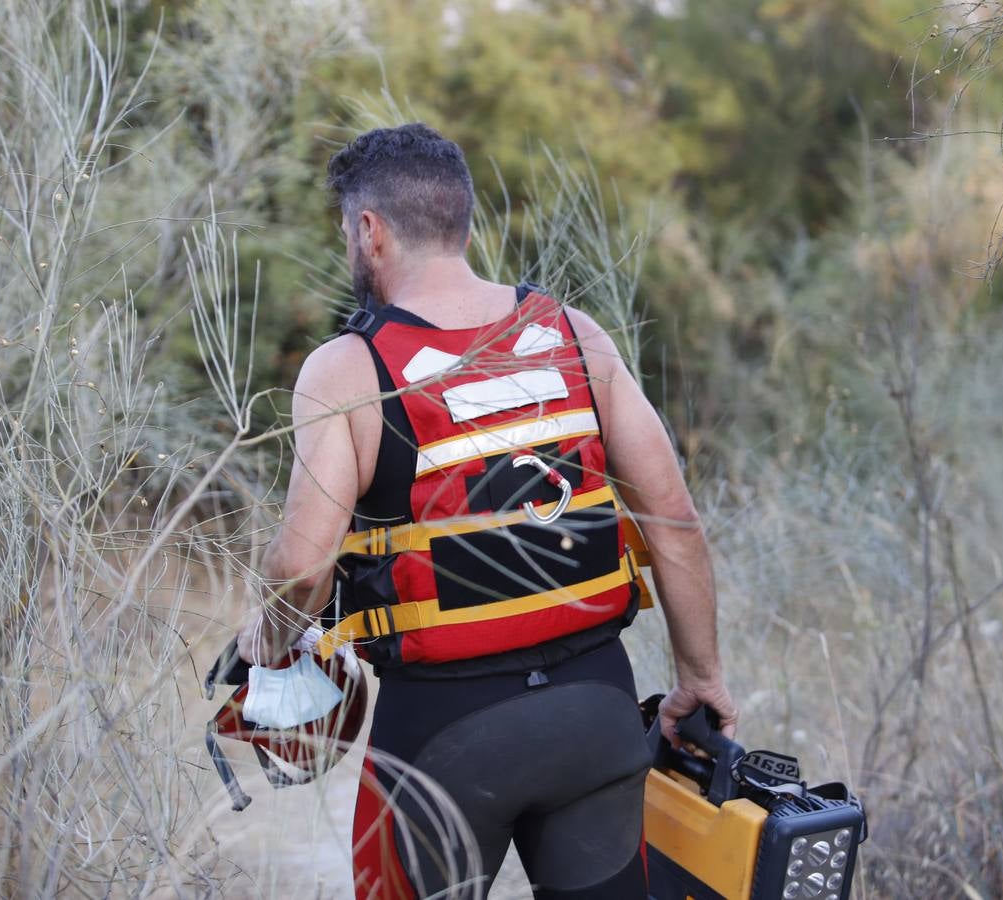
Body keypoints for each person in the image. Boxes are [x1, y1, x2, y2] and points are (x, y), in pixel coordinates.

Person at [235, 122, 737, 900]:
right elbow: (674, 519)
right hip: (597, 711)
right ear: (460, 219)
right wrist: (700, 676)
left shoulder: (348, 370)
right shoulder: (578, 336)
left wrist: (268, 651)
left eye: (346, 231)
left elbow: (299, 567)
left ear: (369, 231)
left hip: (440, 736)